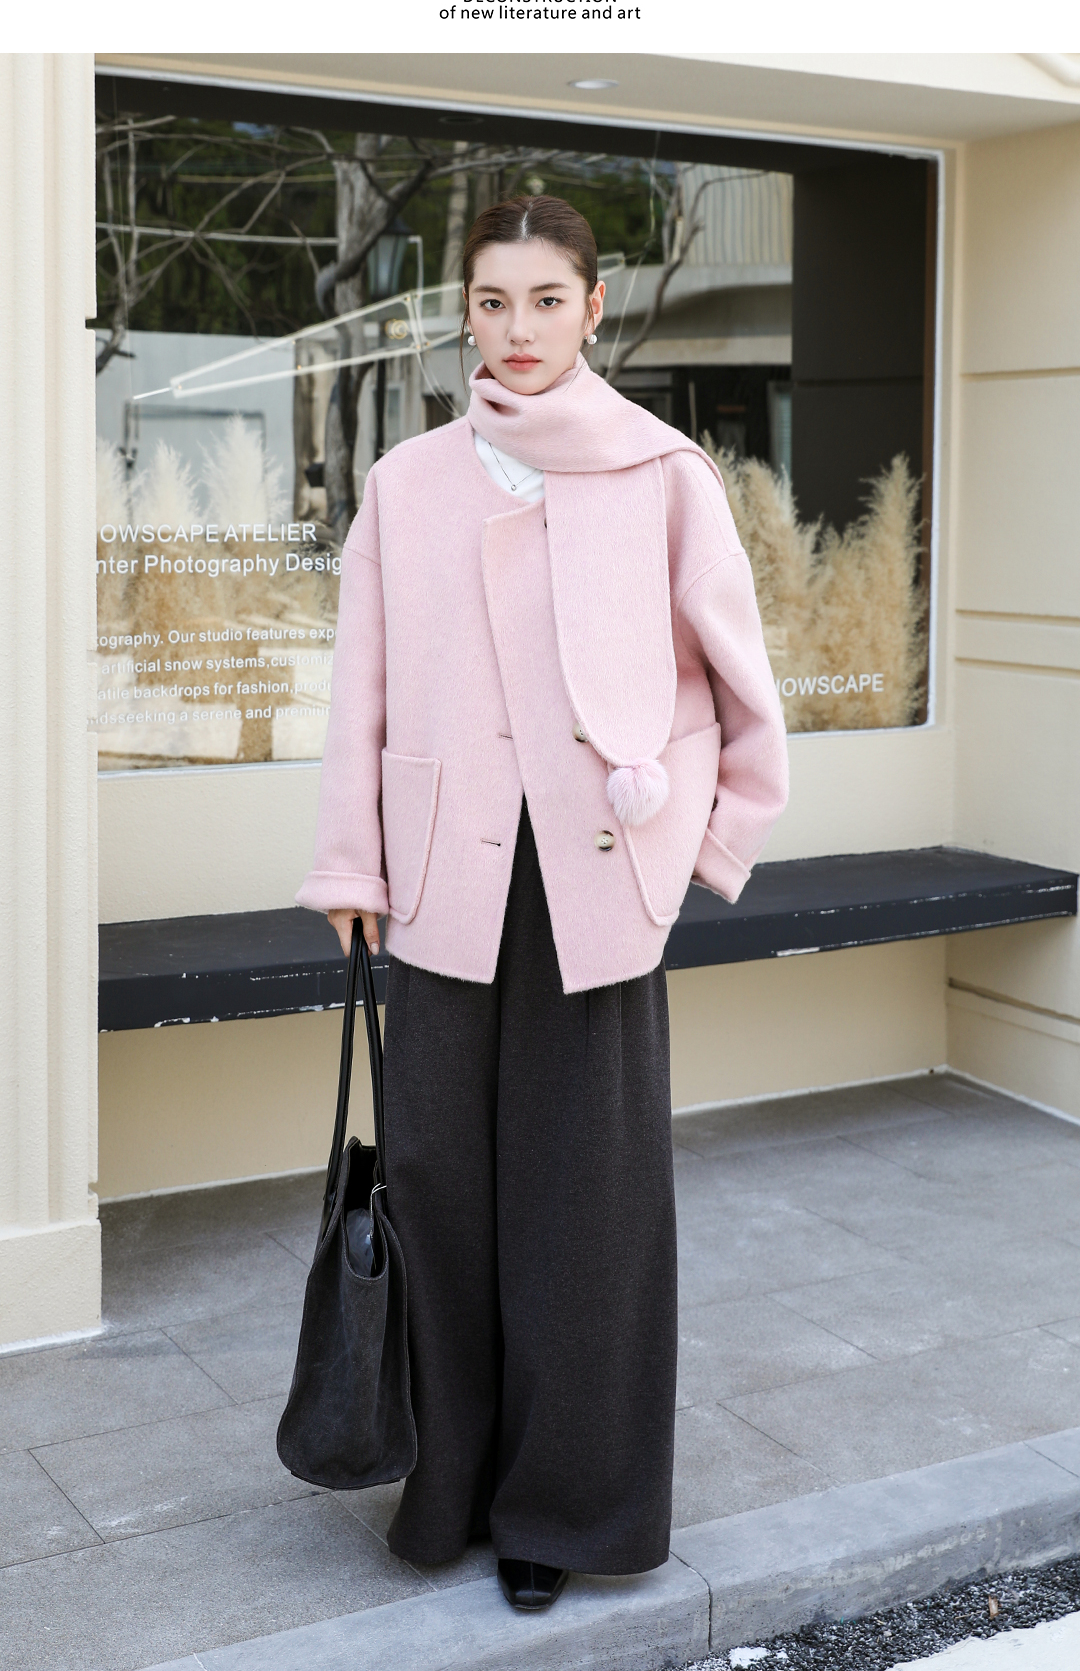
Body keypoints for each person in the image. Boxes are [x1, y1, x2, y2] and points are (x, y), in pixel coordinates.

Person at [296, 195, 788, 1612]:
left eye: (547, 300)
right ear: (465, 310)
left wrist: (697, 849)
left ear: (594, 305)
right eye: (492, 301)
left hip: (598, 885)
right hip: (440, 878)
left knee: (590, 1213)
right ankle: (447, 1485)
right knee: (441, 1197)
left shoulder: (664, 472)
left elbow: (740, 689)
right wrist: (351, 866)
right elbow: (360, 694)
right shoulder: (407, 482)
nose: (517, 329)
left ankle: (564, 1511)